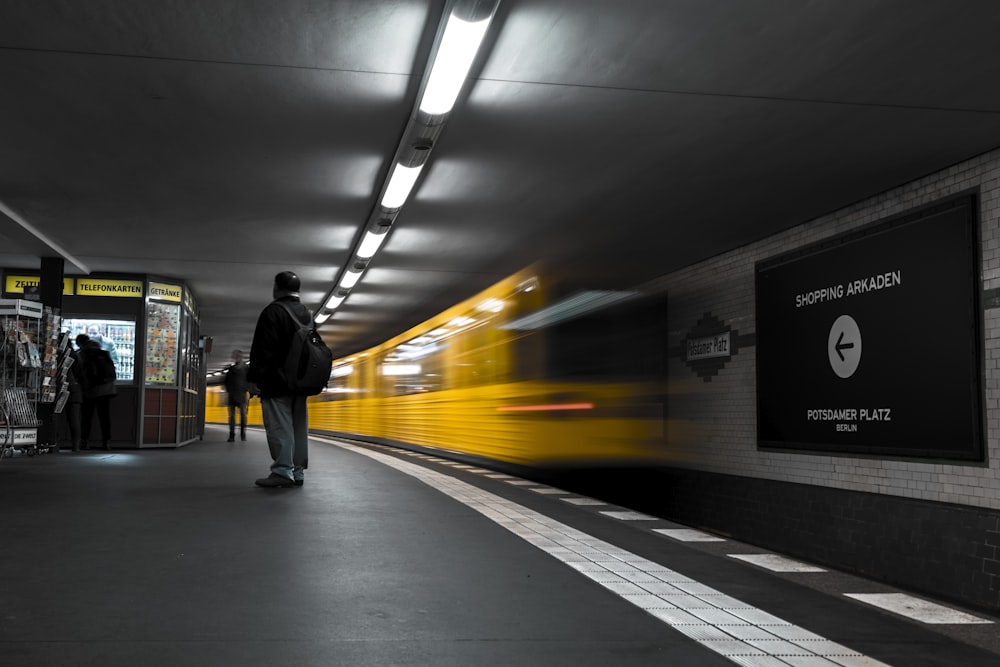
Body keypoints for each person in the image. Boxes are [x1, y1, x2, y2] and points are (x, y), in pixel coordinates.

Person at [247, 271, 311, 488]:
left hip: (277, 382)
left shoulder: (273, 312)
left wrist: (254, 379)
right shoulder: (306, 314)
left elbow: (262, 349)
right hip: (302, 383)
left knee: (280, 427)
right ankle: (298, 471)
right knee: (299, 427)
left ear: (276, 288)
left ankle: (283, 471)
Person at [76, 334, 117, 450]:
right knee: (104, 417)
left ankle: (85, 441)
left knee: (86, 417)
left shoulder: (82, 354)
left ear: (80, 343)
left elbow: (79, 373)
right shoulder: (104, 353)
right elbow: (112, 372)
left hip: (90, 391)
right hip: (105, 390)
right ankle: (106, 442)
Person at [224, 349, 250, 442]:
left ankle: (243, 434)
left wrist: (247, 389)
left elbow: (249, 381)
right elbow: (226, 382)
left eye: (238, 356)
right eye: (235, 356)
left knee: (243, 416)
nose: (236, 358)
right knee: (232, 417)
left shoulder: (246, 369)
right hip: (232, 396)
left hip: (242, 396)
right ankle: (232, 435)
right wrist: (229, 390)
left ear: (241, 357)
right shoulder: (231, 369)